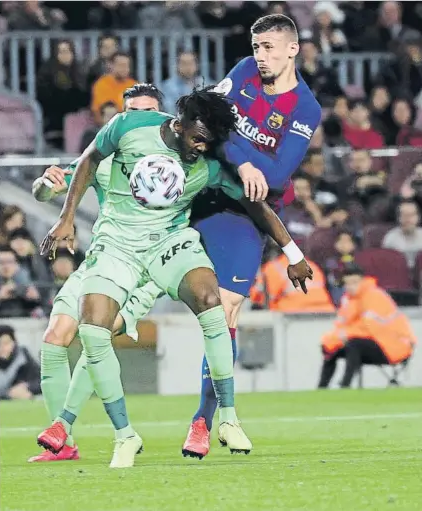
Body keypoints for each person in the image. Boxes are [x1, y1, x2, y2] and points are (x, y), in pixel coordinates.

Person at [39, 87, 312, 468]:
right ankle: (125, 436)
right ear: (179, 124)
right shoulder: (129, 127)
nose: (201, 147)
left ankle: (228, 418)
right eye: (197, 138)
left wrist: (293, 253)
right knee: (92, 330)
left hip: (169, 241)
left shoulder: (209, 164)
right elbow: (87, 160)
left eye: (209, 142)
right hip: (117, 244)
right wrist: (66, 217)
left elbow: (255, 204)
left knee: (211, 302)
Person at [183, 14, 322, 458]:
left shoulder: (305, 107)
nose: (260, 56)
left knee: (226, 311)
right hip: (198, 191)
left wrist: (231, 148)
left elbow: (278, 177)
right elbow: (207, 116)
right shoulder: (242, 71)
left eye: (269, 47)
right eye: (256, 46)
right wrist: (244, 162)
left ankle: (205, 422)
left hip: (246, 212)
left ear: (292, 49)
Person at [28, 83, 165, 463]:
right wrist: (45, 184)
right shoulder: (101, 158)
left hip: (145, 269)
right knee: (55, 338)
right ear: (120, 118)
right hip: (102, 260)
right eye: (132, 112)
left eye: (149, 111)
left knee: (94, 335)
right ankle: (64, 441)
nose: (141, 119)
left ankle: (68, 426)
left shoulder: (179, 157)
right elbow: (49, 191)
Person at [318, 266, 416, 388]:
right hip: (375, 342)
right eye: (347, 283)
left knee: (353, 344)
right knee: (330, 348)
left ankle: (344, 386)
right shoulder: (348, 300)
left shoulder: (375, 296)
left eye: (354, 282)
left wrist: (344, 335)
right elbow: (341, 325)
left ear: (362, 281)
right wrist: (332, 340)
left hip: (394, 345)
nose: (350, 286)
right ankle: (321, 389)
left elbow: (371, 328)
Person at [0, 325, 41, 400]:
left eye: (6, 343)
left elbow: (41, 380)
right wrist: (8, 395)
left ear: (14, 342)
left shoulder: (23, 356)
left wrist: (27, 386)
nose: (2, 348)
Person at [91, 52, 136, 121]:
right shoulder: (102, 84)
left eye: (126, 66)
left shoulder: (134, 85)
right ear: (111, 66)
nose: (124, 69)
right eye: (121, 65)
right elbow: (105, 111)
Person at [382, 199, 422, 269]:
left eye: (411, 215)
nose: (408, 219)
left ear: (418, 217)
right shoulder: (390, 238)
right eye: (404, 215)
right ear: (398, 218)